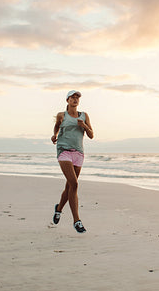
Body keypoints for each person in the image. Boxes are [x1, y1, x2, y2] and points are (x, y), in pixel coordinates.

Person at [51, 90, 94, 233]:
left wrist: (84, 126)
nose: (75, 100)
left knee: (70, 186)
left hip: (79, 153)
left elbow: (91, 135)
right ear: (67, 100)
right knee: (74, 183)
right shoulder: (61, 115)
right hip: (64, 150)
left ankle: (58, 209)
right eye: (72, 98)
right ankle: (77, 221)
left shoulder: (84, 115)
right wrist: (54, 135)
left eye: (77, 98)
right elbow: (57, 125)